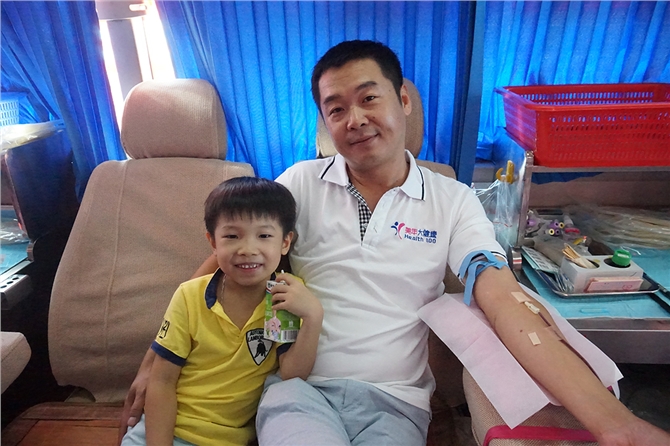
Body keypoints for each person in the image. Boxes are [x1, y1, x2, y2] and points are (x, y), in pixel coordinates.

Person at [122, 41, 670, 446]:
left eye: (369, 98)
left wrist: (612, 422)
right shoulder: (298, 184)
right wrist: (152, 361)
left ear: (403, 100)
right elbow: (224, 264)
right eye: (336, 109)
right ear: (325, 121)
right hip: (298, 389)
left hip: (397, 403)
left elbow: (503, 298)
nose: (355, 119)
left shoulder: (453, 200)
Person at [120, 177, 323, 446]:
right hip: (168, 429)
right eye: (231, 236)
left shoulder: (284, 296)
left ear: (285, 242)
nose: (247, 250)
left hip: (233, 439)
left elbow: (292, 375)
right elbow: (162, 381)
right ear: (213, 243)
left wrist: (313, 317)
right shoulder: (189, 296)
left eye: (264, 236)